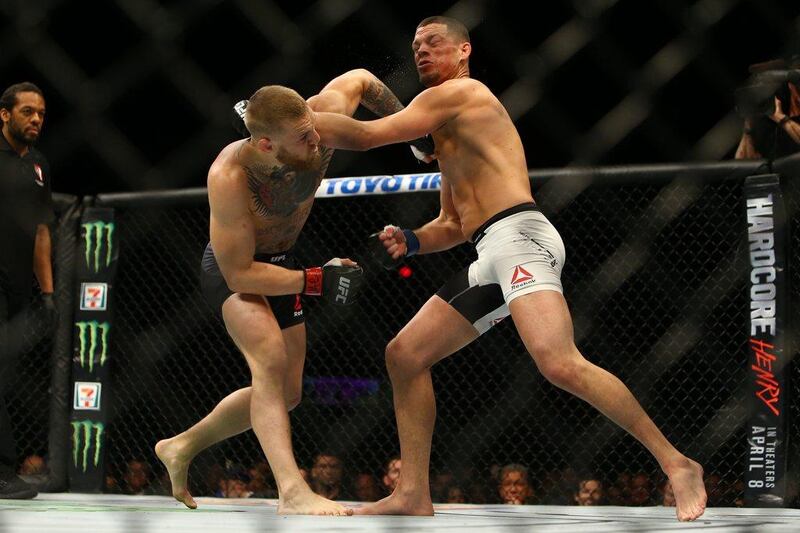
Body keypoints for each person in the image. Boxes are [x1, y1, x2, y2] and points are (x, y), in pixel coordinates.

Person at [313, 16, 707, 521]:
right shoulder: (449, 134)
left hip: (521, 236)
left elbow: (367, 136)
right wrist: (411, 240)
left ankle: (677, 464)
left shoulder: (461, 93)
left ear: (463, 51)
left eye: (434, 42)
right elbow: (454, 224)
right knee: (405, 355)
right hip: (490, 249)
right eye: (415, 46)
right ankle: (413, 492)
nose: (421, 52)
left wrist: (295, 122)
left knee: (559, 362)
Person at [154, 69, 418, 516]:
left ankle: (181, 445)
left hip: (284, 263)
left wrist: (420, 138)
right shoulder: (230, 174)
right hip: (236, 271)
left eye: (314, 130)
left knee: (287, 392)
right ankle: (292, 491)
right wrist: (318, 279)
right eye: (303, 138)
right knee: (269, 359)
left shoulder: (318, 125)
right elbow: (239, 273)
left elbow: (360, 81)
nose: (317, 143)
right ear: (265, 145)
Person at [0, 81, 55, 500]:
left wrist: (49, 293)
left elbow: (41, 233)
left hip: (17, 290)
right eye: (26, 112)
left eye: (39, 113)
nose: (35, 119)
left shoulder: (38, 166)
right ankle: (3, 470)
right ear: (5, 115)